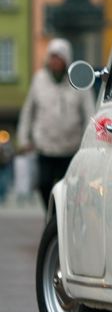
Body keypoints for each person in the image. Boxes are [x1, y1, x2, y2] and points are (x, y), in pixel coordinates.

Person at [16, 38, 95, 209]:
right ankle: (50, 214)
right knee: (44, 184)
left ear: (66, 60)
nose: (55, 61)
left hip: (70, 148)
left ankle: (61, 217)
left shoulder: (79, 80)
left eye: (59, 57)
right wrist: (23, 139)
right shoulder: (39, 79)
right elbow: (28, 111)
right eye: (52, 57)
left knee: (67, 187)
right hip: (45, 147)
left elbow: (89, 112)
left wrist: (90, 140)